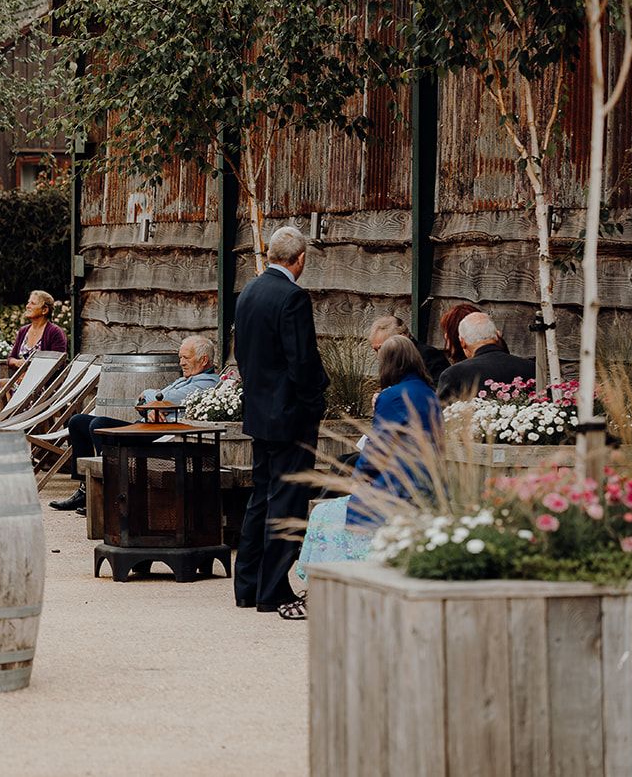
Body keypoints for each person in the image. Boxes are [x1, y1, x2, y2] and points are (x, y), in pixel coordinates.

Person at [289, 335, 443, 618]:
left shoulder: (391, 396)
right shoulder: (428, 393)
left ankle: (322, 594)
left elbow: (377, 447)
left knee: (325, 514)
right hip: (427, 486)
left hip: (397, 488)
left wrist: (358, 479)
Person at [232, 226, 327, 617]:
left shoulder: (249, 292)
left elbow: (241, 354)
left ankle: (248, 585)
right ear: (300, 258)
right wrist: (314, 402)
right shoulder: (292, 297)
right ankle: (273, 590)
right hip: (289, 417)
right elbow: (302, 361)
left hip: (259, 411)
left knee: (260, 499)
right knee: (286, 502)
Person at [49, 334, 221, 512]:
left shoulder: (206, 383)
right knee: (77, 422)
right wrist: (152, 406)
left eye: (186, 357)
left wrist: (150, 398)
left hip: (162, 436)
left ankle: (111, 494)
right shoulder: (185, 379)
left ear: (204, 360)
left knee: (99, 425)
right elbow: (147, 402)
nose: (181, 363)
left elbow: (163, 397)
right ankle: (85, 489)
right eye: (180, 358)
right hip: (145, 427)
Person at [435, 311, 537, 404]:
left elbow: (441, 418)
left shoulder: (454, 375)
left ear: (462, 342)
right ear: (497, 336)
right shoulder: (530, 368)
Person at [368, 314, 449, 383]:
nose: (379, 356)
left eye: (382, 348)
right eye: (375, 350)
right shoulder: (393, 363)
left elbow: (439, 391)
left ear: (403, 338)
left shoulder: (429, 356)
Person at [7, 290, 67, 371]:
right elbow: (11, 358)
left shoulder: (55, 332)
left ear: (44, 310)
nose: (27, 306)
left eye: (33, 303)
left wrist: (28, 373)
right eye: (28, 303)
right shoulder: (23, 331)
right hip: (19, 380)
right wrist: (16, 362)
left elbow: (57, 364)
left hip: (44, 382)